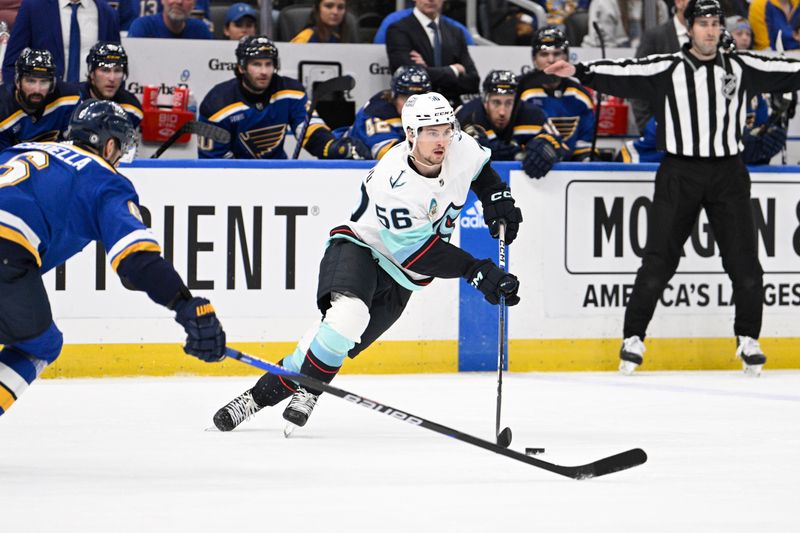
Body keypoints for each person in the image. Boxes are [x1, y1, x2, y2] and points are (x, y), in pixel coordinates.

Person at [212, 92, 523, 434]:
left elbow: (480, 172)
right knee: (348, 317)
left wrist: (497, 197)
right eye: (430, 132)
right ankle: (311, 391)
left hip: (404, 279)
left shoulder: (459, 144)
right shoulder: (395, 182)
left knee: (327, 345)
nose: (442, 140)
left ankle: (253, 400)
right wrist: (476, 270)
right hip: (360, 247)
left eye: (446, 130)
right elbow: (421, 252)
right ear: (410, 135)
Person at [544, 0, 800, 377]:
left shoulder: (740, 67)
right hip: (679, 172)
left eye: (715, 23)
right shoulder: (670, 67)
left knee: (745, 262)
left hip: (729, 172)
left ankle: (748, 338)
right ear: (689, 27)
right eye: (703, 24)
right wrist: (581, 70)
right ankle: (633, 337)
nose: (710, 30)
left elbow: (786, 68)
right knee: (659, 260)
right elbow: (625, 72)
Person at [0, 99, 227, 416]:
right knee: (41, 345)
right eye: (119, 148)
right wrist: (186, 305)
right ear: (109, 145)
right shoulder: (104, 178)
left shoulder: (23, 149)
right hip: (6, 248)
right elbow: (136, 260)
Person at [198, 35, 368, 160]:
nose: (264, 71)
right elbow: (214, 161)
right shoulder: (216, 104)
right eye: (256, 64)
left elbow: (308, 129)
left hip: (278, 176)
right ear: (241, 68)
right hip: (233, 184)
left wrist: (333, 147)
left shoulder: (291, 91)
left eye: (268, 64)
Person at [457, 69, 566, 179]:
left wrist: (549, 147)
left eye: (509, 103)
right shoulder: (467, 115)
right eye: (496, 102)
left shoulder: (533, 115)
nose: (502, 112)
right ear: (485, 102)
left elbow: (562, 146)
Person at [518, 26, 595, 161]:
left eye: (557, 53)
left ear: (567, 57)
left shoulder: (581, 97)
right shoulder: (519, 91)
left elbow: (584, 150)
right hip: (525, 167)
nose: (551, 60)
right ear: (534, 59)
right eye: (544, 54)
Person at [385, 0, 480, 107]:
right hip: (414, 108)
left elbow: (473, 81)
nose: (431, 0)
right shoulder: (399, 30)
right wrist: (453, 70)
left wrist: (426, 70)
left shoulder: (456, 32)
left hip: (450, 109)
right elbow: (408, 77)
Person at [1, 0, 120, 84]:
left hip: (91, 105)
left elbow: (117, 62)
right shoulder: (33, 7)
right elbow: (11, 63)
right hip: (44, 105)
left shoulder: (107, 13)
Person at [343, 64, 432, 160]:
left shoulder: (431, 111)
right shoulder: (378, 112)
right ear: (394, 96)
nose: (413, 105)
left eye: (419, 99)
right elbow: (390, 155)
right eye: (406, 98)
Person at [0, 48, 81, 151]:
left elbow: (77, 149)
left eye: (44, 82)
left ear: (53, 84)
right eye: (30, 81)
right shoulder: (3, 109)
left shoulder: (69, 99)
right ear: (17, 82)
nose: (37, 89)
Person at [631, 0, 690, 131]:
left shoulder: (712, 39)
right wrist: (647, 128)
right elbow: (637, 82)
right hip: (662, 132)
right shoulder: (655, 37)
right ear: (679, 2)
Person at [80, 42, 143, 130]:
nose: (112, 78)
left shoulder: (131, 109)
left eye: (117, 70)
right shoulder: (69, 102)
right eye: (105, 70)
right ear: (91, 73)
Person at [581, 0, 668, 48]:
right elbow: (604, 48)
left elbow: (662, 45)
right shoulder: (604, 3)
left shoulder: (658, 6)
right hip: (610, 61)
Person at [127, 0, 213, 39]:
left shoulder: (201, 31)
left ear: (194, 4)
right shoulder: (143, 27)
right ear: (162, 1)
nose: (179, 1)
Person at [291, 0, 355, 43]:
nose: (335, 12)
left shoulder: (337, 38)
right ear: (317, 9)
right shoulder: (303, 39)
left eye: (340, 7)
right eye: (329, 6)